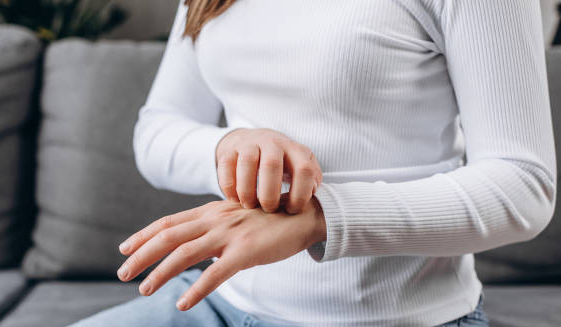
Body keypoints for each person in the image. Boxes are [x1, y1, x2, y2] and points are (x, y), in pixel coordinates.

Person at [70, 1, 556, 326]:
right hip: (217, 302)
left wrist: (321, 217)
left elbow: (524, 185)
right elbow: (157, 128)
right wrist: (228, 147)